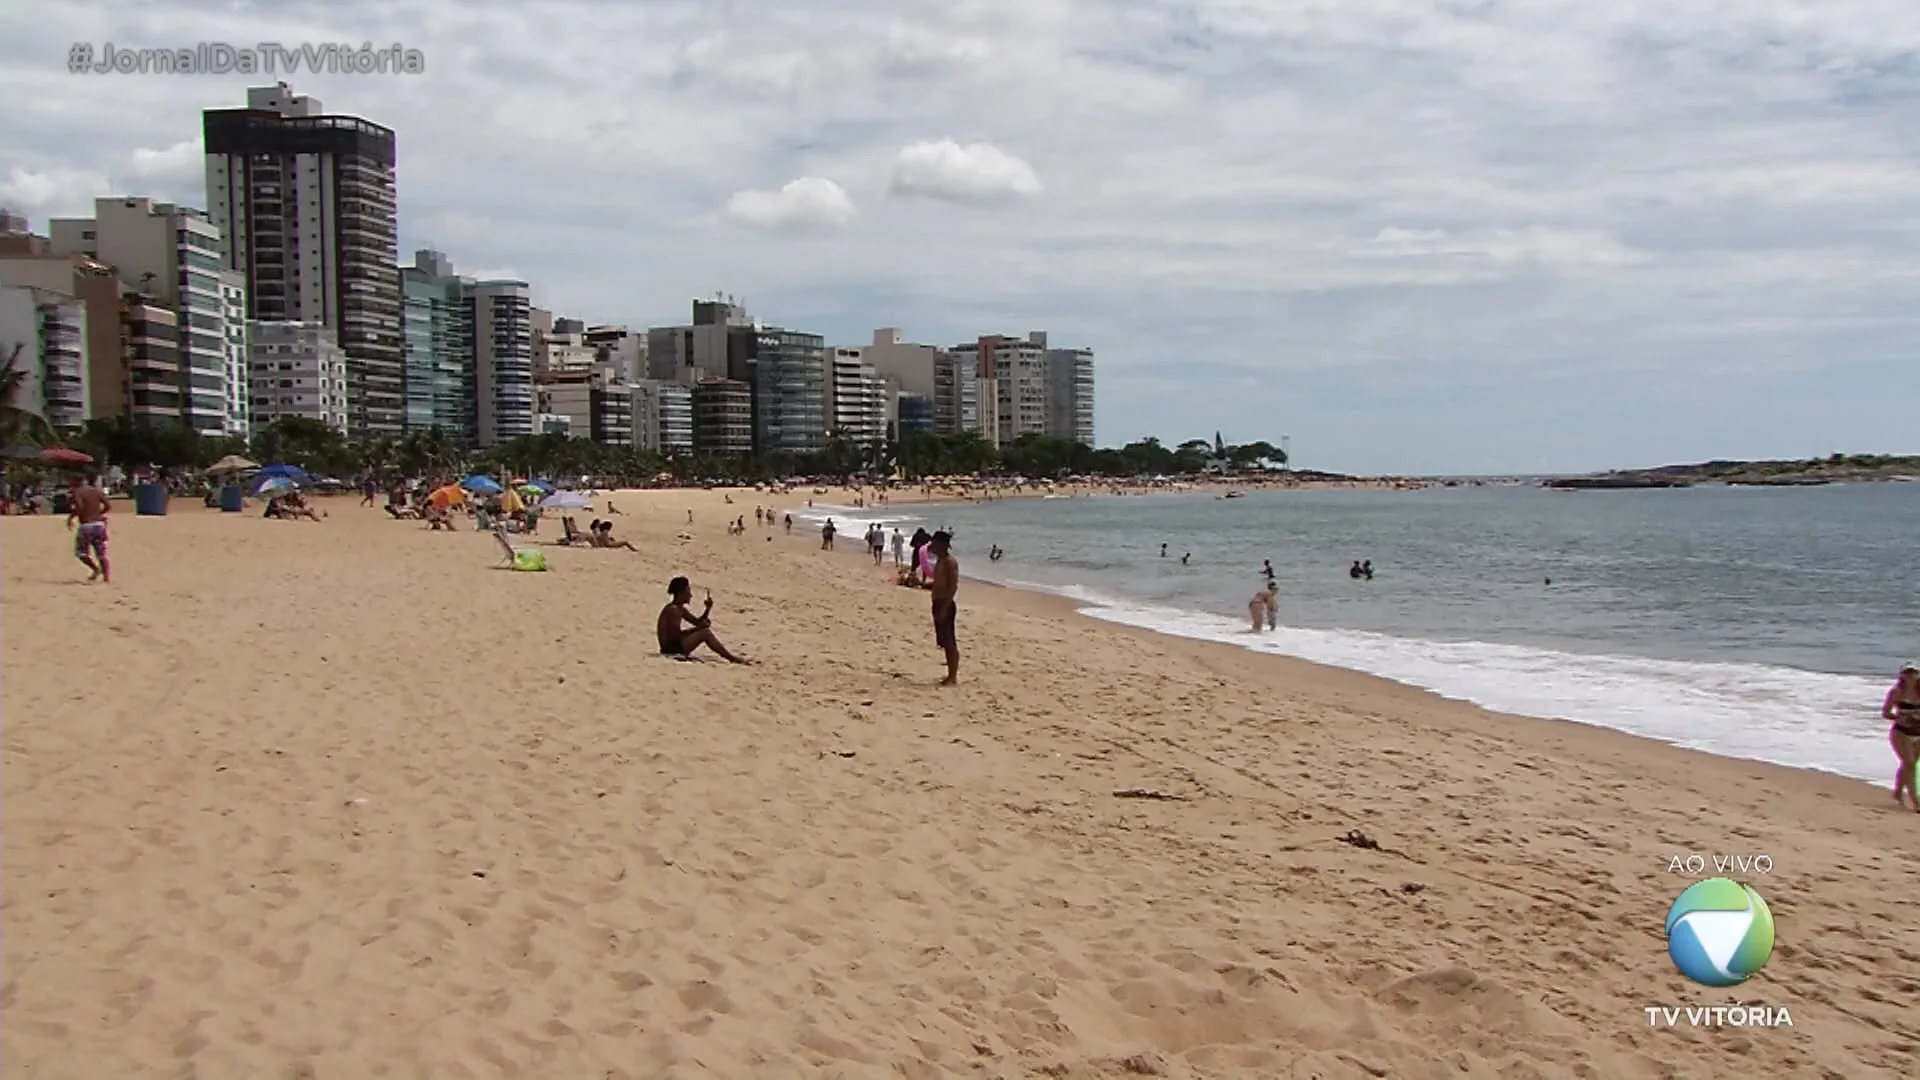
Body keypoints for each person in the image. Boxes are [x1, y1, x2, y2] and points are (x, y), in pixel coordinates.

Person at [657, 576, 750, 663]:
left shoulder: (679, 609)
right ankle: (731, 658)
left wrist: (707, 609)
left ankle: (730, 657)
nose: (690, 595)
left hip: (674, 646)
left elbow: (697, 622)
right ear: (681, 593)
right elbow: (675, 636)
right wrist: (699, 628)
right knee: (705, 633)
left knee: (704, 631)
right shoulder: (673, 610)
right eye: (688, 592)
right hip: (671, 649)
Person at [1883, 662, 1920, 810]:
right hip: (1901, 731)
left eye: (1913, 673)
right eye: (1907, 673)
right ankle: (1916, 801)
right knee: (1910, 763)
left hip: (1918, 732)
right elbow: (1886, 712)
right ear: (1902, 675)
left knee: (1909, 765)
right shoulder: (1897, 692)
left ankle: (1898, 791)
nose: (1910, 676)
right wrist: (1898, 718)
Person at [65, 474, 111, 583]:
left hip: (86, 525)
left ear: (76, 482)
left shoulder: (78, 492)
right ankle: (106, 577)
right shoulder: (96, 491)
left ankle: (95, 569)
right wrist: (98, 513)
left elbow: (80, 507)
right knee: (101, 552)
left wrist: (71, 517)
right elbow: (108, 505)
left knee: (81, 553)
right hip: (99, 525)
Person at [928, 530, 960, 685]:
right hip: (938, 602)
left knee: (949, 641)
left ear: (941, 545)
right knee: (943, 641)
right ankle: (950, 674)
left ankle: (952, 676)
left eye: (934, 543)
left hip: (945, 604)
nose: (931, 545)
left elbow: (953, 587)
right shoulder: (940, 561)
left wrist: (945, 607)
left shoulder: (949, 562)